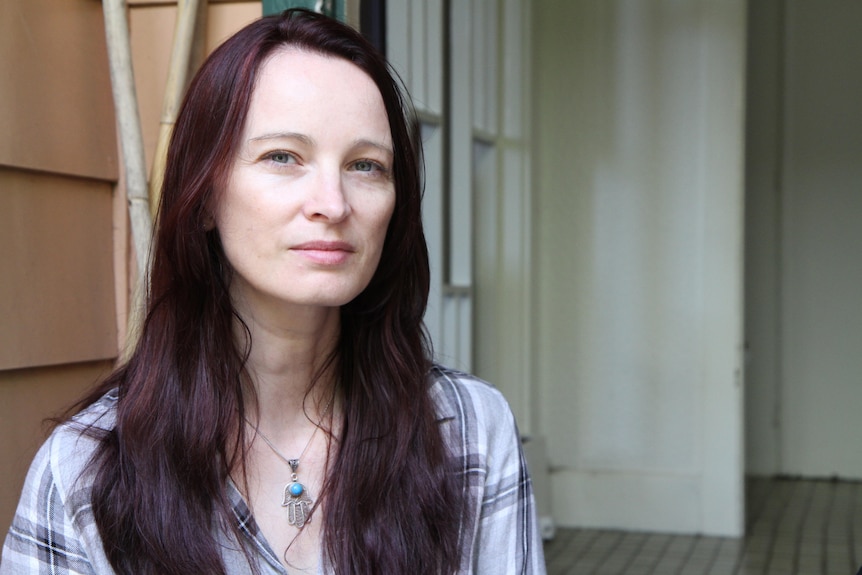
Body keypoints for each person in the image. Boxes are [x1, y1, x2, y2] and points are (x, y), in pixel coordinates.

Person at [0, 9, 545, 575]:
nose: (333, 204)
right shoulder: (88, 470)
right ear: (205, 194)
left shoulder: (469, 433)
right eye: (283, 156)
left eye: (365, 165)